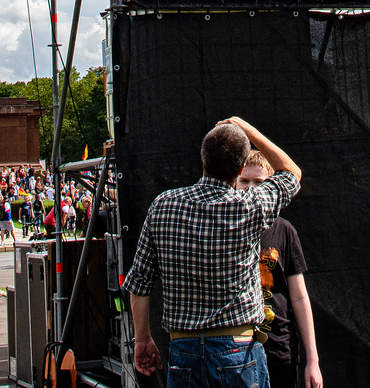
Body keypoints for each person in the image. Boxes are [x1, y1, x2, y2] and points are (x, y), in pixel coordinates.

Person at [124, 116, 301, 384]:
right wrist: (247, 129)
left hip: (184, 354)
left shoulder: (163, 206)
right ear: (241, 168)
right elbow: (291, 172)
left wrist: (143, 339)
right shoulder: (249, 207)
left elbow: (139, 284)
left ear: (203, 159)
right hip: (238, 351)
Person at [237, 152, 323, 388]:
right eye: (244, 181)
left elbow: (299, 296)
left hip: (278, 350)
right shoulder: (224, 228)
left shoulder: (284, 231)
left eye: (259, 183)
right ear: (234, 182)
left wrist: (312, 361)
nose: (251, 188)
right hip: (234, 352)